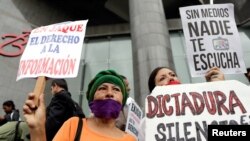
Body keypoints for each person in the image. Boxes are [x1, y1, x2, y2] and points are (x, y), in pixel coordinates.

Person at [23, 70, 136, 141]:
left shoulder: (130, 139)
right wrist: (37, 129)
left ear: (122, 101)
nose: (110, 93)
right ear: (91, 99)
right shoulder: (74, 125)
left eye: (116, 89)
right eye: (102, 88)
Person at [138, 66, 225, 141]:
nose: (171, 78)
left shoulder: (204, 108)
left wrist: (217, 89)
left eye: (173, 75)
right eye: (162, 78)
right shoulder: (146, 124)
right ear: (154, 90)